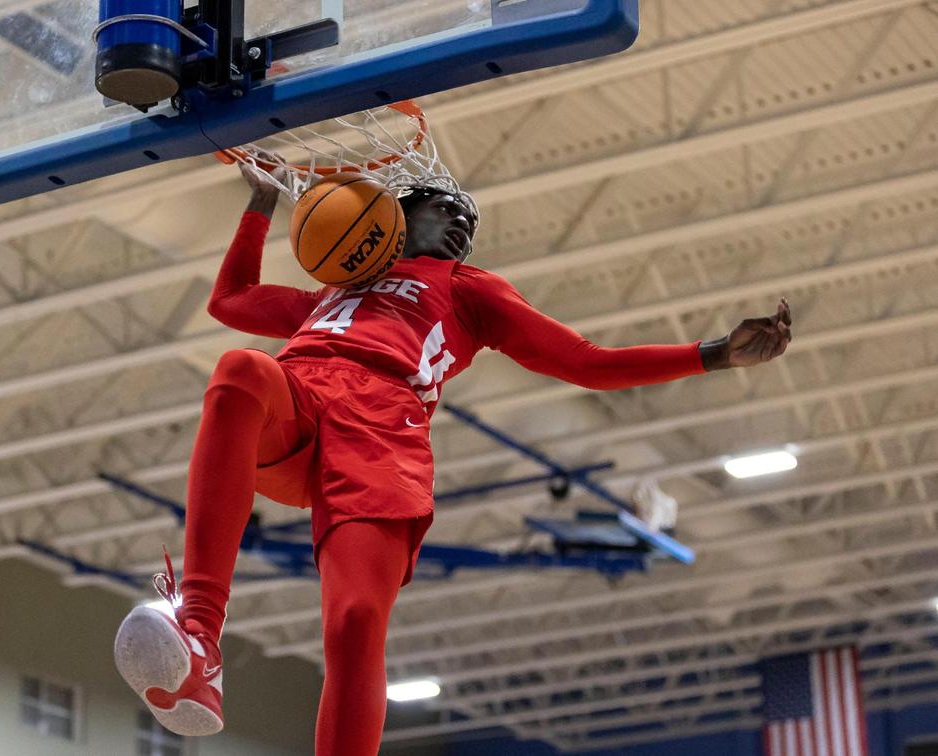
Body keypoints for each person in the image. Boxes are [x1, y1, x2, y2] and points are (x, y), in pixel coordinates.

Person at [114, 160, 793, 755]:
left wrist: (712, 354)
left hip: (382, 436)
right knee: (239, 371)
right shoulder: (334, 291)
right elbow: (228, 299)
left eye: (469, 223)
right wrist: (261, 205)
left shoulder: (474, 290)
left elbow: (588, 362)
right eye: (447, 211)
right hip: (303, 403)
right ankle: (201, 632)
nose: (463, 226)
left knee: (354, 622)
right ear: (391, 219)